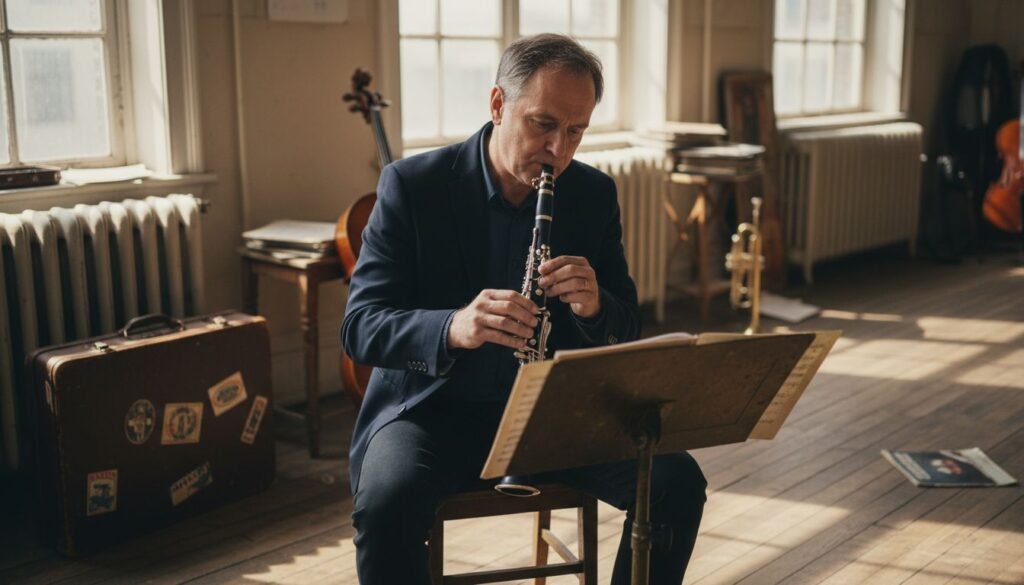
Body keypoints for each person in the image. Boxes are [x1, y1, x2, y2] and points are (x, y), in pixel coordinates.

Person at [341, 33, 707, 585]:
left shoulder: (592, 194)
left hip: (552, 412)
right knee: (386, 504)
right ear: (497, 105)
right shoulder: (412, 186)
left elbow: (625, 320)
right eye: (543, 124)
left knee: (676, 483)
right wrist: (453, 327)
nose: (559, 149)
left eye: (576, 131)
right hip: (433, 412)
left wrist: (593, 307)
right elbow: (360, 327)